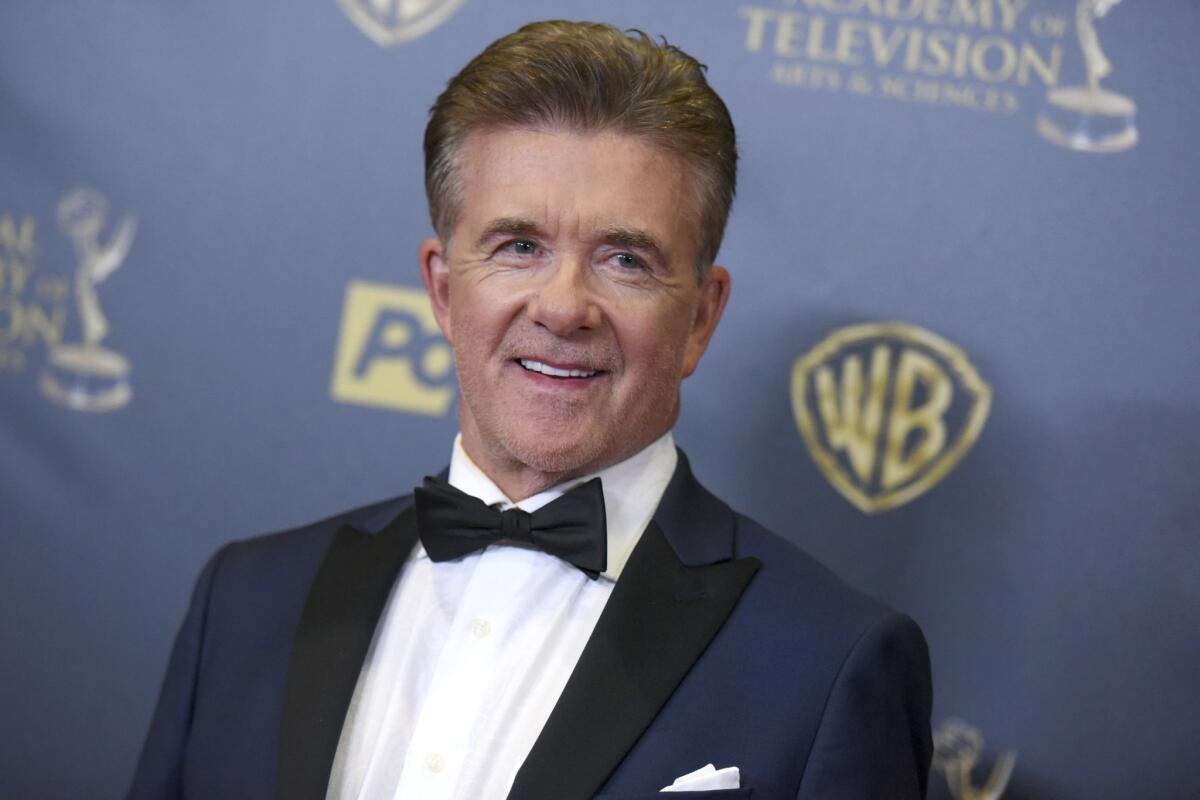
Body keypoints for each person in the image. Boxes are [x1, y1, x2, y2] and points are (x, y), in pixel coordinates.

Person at [127, 20, 932, 800]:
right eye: (520, 246)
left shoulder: (831, 663)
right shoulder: (245, 602)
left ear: (699, 318)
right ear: (444, 290)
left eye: (625, 259)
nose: (562, 307)